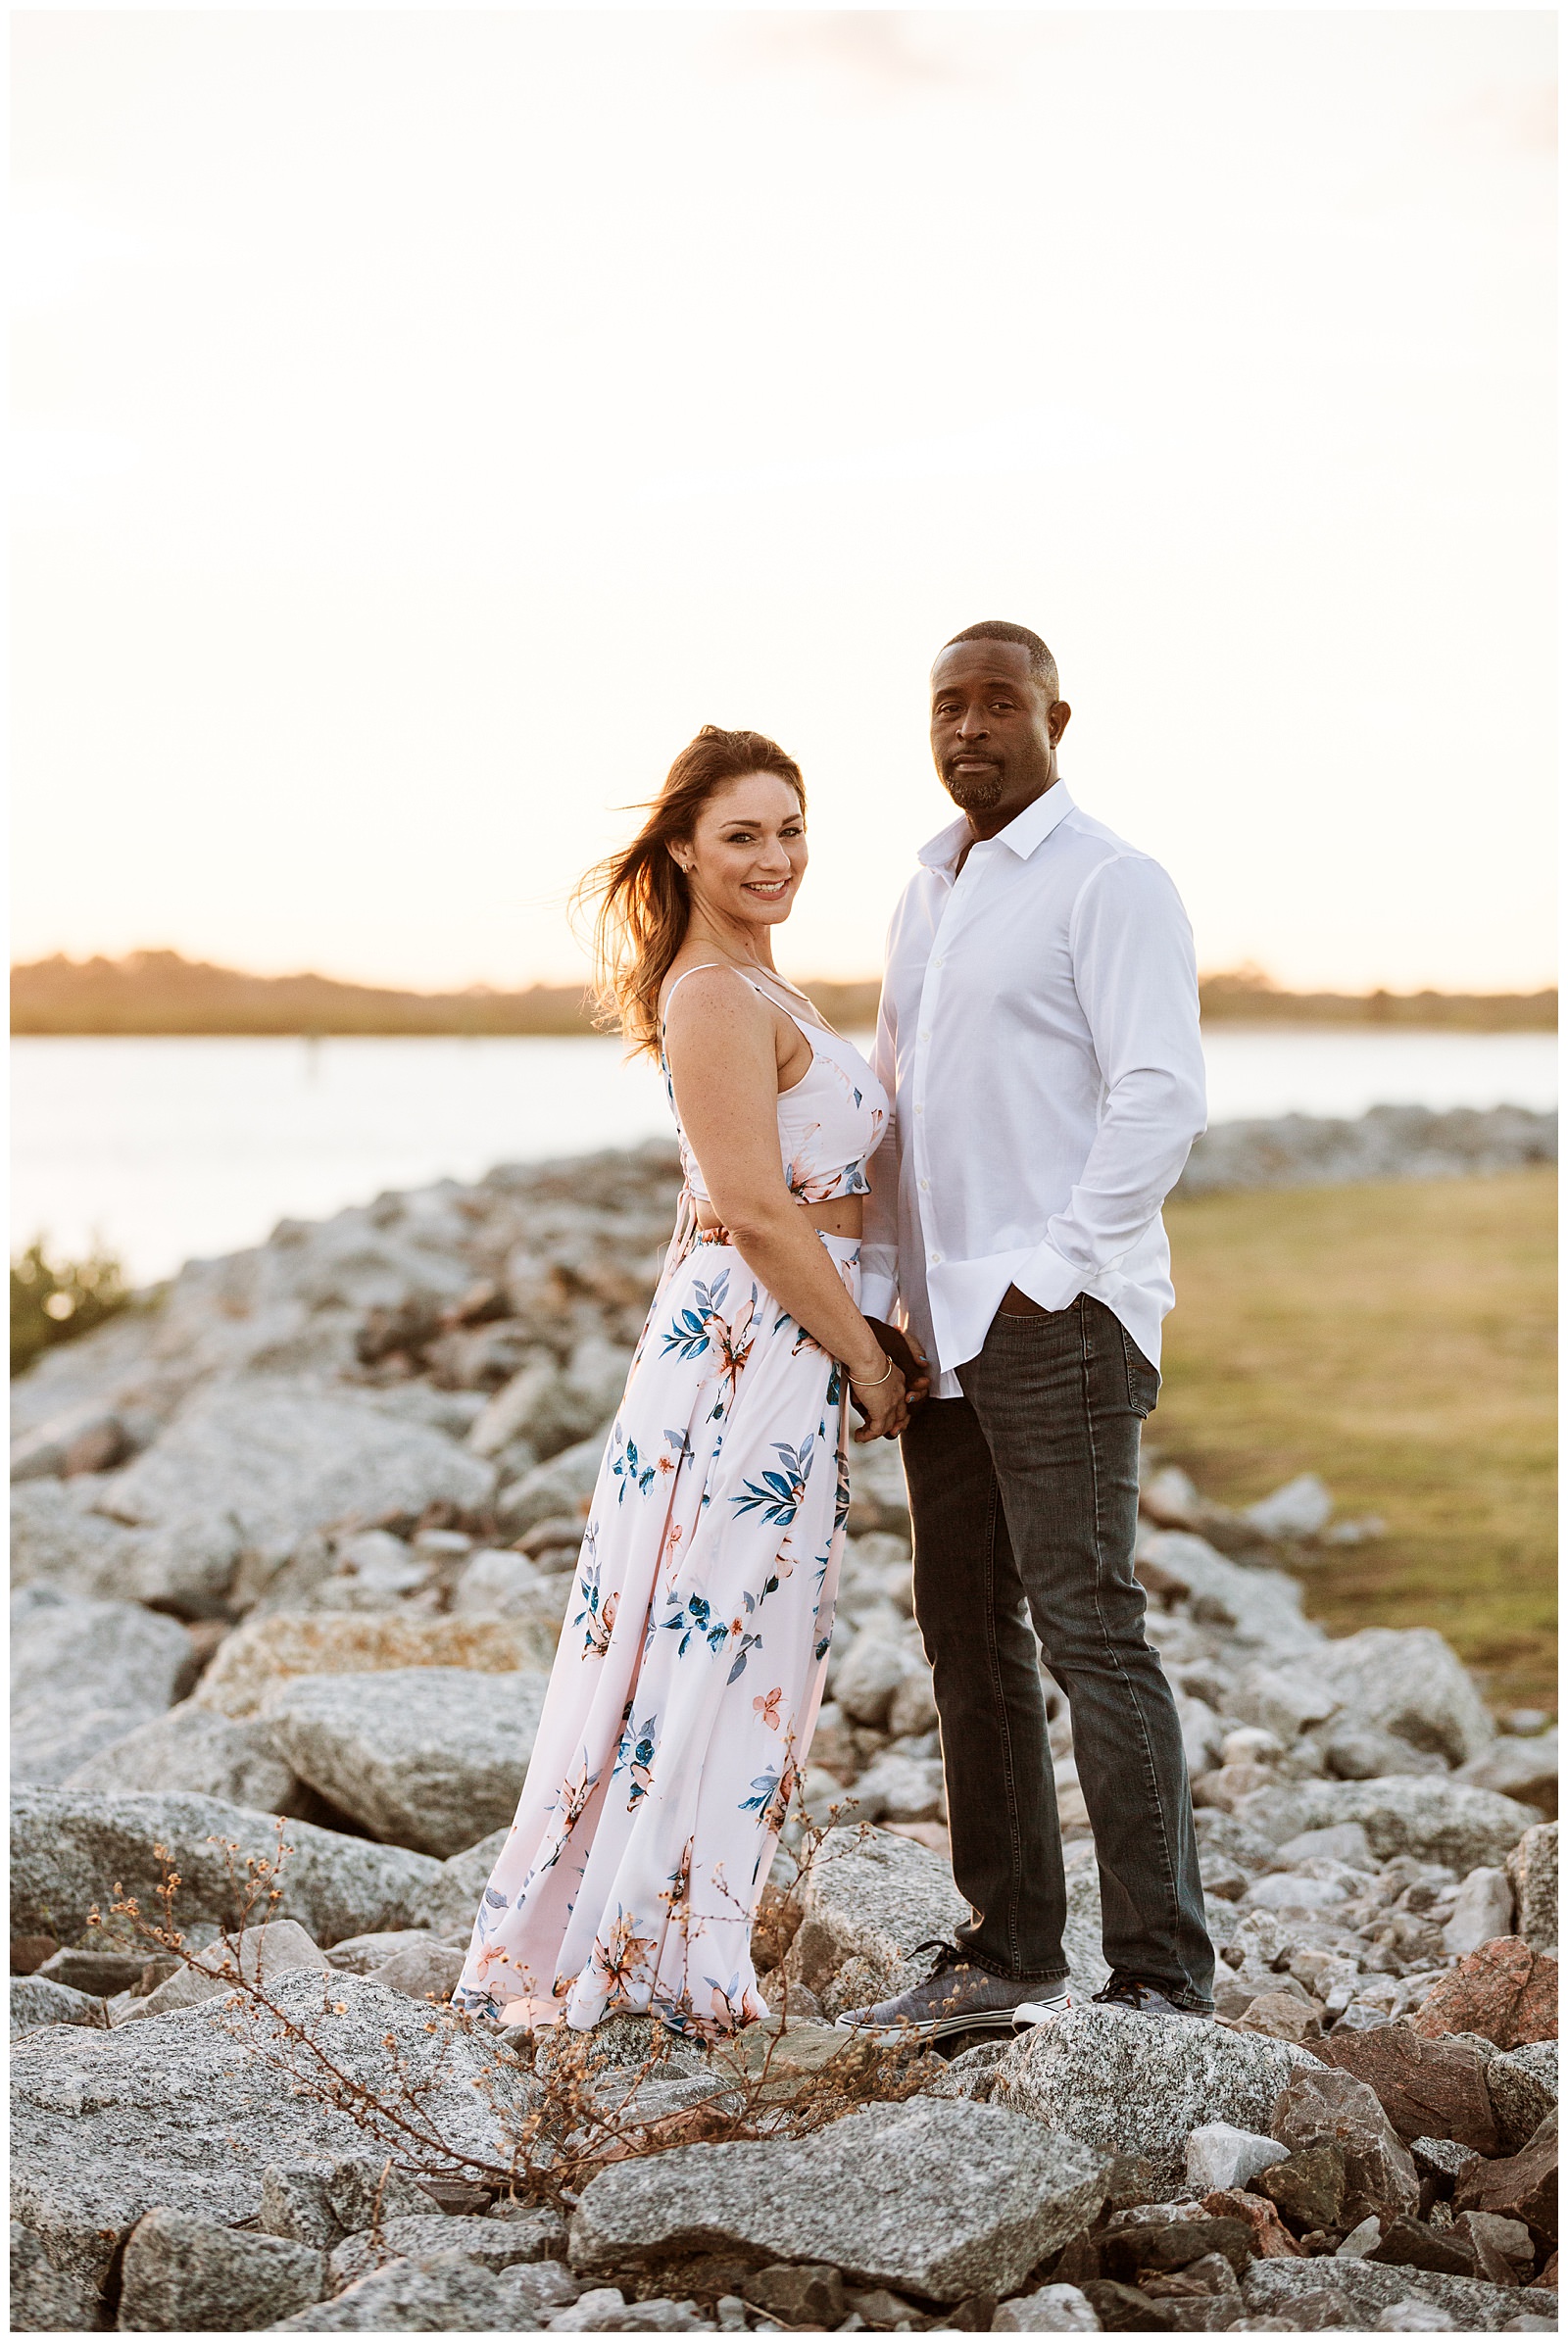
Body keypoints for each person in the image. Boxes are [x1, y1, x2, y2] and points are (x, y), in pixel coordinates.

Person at [455, 724, 907, 2040]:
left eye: (791, 827)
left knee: (756, 1636)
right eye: (743, 835)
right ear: (683, 852)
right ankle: (645, 1952)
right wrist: (867, 1357)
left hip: (776, 1341)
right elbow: (760, 1214)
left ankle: (683, 1939)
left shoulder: (770, 986)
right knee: (710, 1633)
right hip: (752, 1347)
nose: (777, 857)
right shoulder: (711, 993)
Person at [839, 619, 1216, 2039]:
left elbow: (1160, 1095)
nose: (971, 725)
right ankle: (1007, 1950)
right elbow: (897, 1109)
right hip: (940, 1329)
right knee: (963, 1632)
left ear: (1060, 714)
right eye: (949, 703)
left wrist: (1051, 1273)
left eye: (1000, 701)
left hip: (1054, 1318)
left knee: (1089, 1627)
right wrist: (887, 1296)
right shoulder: (925, 890)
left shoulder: (1109, 880)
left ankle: (1164, 1976)